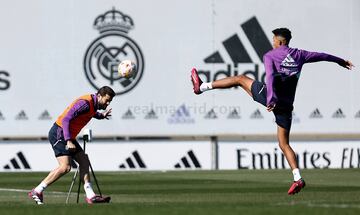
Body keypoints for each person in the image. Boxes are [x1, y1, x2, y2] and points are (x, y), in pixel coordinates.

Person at [191, 28, 354, 195]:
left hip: (272, 98)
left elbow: (269, 76)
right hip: (287, 106)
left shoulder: (270, 56)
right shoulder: (300, 54)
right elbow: (323, 56)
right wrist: (340, 61)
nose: (272, 42)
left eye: (274, 40)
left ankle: (201, 87)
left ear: (280, 42)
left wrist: (270, 99)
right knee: (284, 144)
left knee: (240, 79)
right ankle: (297, 178)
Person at [28, 86, 115, 204]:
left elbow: (91, 113)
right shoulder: (85, 102)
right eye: (107, 100)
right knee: (65, 167)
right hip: (59, 133)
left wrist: (101, 116)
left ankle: (91, 196)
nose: (108, 103)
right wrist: (68, 140)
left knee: (84, 160)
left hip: (67, 135)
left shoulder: (93, 105)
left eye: (110, 101)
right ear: (99, 96)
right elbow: (66, 119)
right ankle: (37, 191)